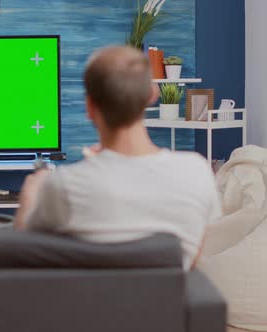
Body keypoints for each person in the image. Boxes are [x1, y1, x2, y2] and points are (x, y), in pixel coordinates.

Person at [13, 46, 221, 270]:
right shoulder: (197, 172)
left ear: (90, 107)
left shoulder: (64, 184)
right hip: (168, 303)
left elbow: (23, 254)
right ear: (152, 95)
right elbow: (195, 259)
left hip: (90, 303)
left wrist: (30, 198)